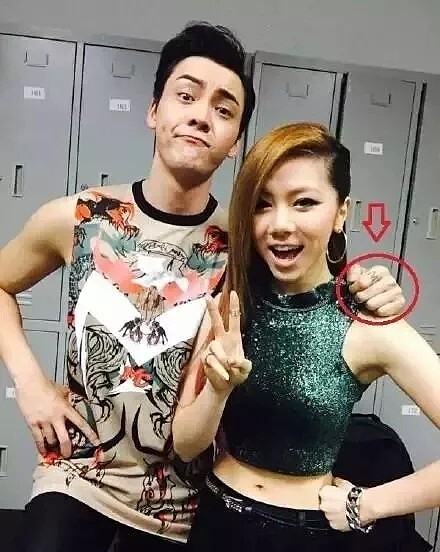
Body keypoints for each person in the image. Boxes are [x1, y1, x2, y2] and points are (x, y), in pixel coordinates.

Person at [0, 22, 404, 552]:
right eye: (186, 95)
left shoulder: (247, 245)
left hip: (185, 505)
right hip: (76, 479)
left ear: (235, 143)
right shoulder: (79, 217)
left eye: (224, 109)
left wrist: (369, 284)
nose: (200, 115)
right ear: (154, 111)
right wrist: (30, 383)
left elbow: (312, 287)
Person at [171, 122, 440, 551]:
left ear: (341, 212)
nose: (279, 224)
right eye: (263, 205)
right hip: (215, 522)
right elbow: (186, 446)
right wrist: (217, 391)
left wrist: (368, 504)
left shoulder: (367, 324)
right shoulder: (232, 304)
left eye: (304, 203)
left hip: (302, 536)